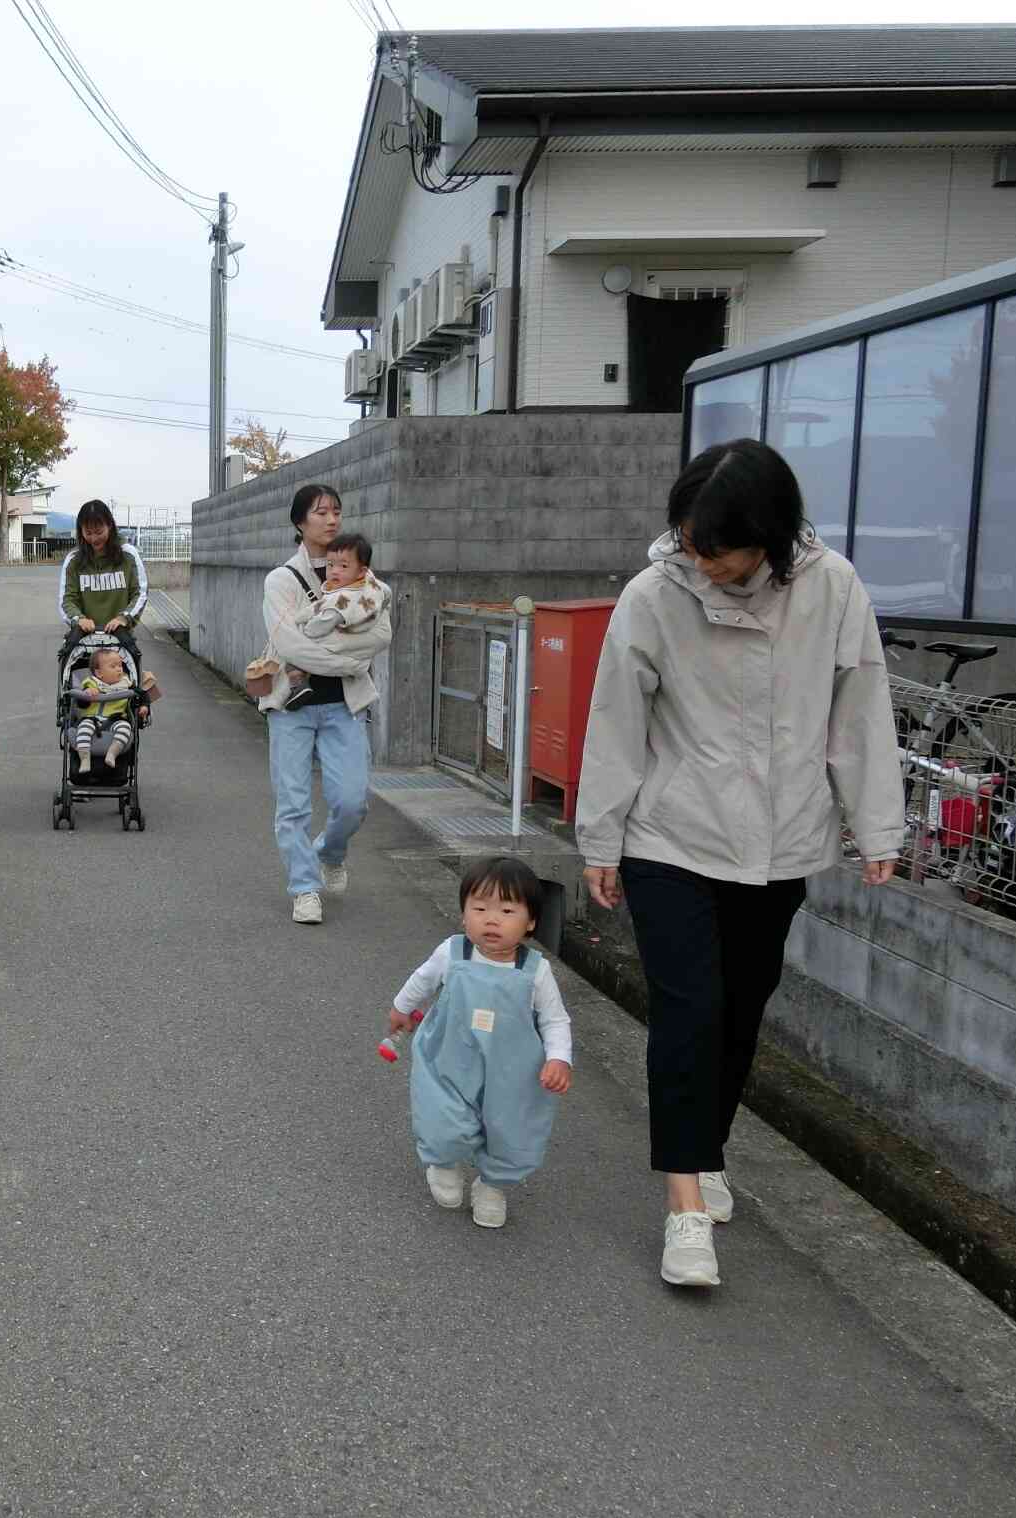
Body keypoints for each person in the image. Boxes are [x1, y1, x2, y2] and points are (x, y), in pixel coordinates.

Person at [574, 438, 903, 1289]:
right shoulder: (654, 595)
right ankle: (685, 1207)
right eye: (690, 541)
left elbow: (859, 711)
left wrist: (878, 827)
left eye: (718, 550)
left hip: (782, 839)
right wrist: (600, 838)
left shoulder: (831, 589)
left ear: (772, 538)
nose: (701, 562)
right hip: (673, 835)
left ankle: (707, 1148)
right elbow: (615, 719)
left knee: (740, 1009)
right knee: (687, 1009)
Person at [387, 856, 573, 1231]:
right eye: (480, 908)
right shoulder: (452, 953)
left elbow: (555, 1019)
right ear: (463, 914)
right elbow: (422, 980)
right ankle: (443, 1161)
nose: (492, 919)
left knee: (512, 1128)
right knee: (443, 1115)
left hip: (512, 1071)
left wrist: (558, 1058)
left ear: (531, 921)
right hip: (450, 1059)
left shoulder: (535, 971)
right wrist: (402, 1007)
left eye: (507, 910)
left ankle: (493, 1185)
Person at [260, 484, 393, 925]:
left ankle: (328, 853)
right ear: (300, 521)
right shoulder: (281, 580)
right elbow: (288, 645)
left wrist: (333, 657)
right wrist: (345, 657)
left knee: (352, 801)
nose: (332, 519)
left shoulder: (364, 577)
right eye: (321, 512)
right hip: (291, 706)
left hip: (345, 706)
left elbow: (380, 636)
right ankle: (303, 888)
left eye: (336, 511)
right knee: (293, 803)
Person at [287, 531, 388, 708]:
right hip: (354, 638)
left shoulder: (344, 598)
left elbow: (323, 622)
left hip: (340, 637)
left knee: (296, 658)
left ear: (361, 571)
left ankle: (298, 683)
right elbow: (386, 593)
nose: (334, 571)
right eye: (330, 564)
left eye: (343, 566)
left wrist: (304, 629)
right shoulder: (367, 587)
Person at [58, 499, 148, 653]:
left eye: (99, 532)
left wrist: (124, 618)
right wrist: (79, 619)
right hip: (85, 642)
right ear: (81, 531)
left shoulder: (128, 554)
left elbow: (140, 593)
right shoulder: (74, 560)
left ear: (110, 526)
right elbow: (67, 599)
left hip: (119, 642)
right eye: (88, 533)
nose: (94, 538)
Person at [71, 646, 138, 775]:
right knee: (83, 728)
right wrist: (87, 694)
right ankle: (84, 758)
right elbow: (81, 704)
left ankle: (112, 753)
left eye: (120, 665)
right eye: (113, 667)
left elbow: (141, 694)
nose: (119, 669)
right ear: (99, 673)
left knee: (125, 728)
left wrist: (144, 706)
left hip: (115, 719)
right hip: (92, 718)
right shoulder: (91, 683)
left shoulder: (126, 684)